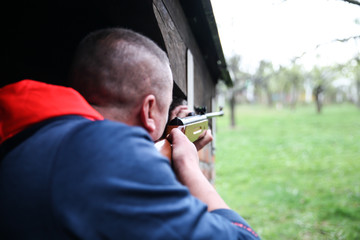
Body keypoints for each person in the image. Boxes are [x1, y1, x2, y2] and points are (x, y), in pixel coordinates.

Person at [0, 28, 260, 239]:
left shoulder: (30, 135)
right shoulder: (106, 150)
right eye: (162, 107)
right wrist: (187, 165)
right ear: (148, 111)